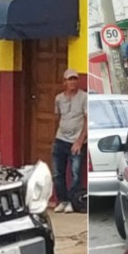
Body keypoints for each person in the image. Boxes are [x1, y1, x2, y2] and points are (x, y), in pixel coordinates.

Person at [52, 68, 88, 213]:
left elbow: (87, 120)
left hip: (76, 141)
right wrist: (54, 138)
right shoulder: (59, 98)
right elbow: (57, 118)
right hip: (60, 139)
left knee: (75, 173)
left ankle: (73, 202)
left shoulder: (84, 97)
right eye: (70, 79)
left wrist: (80, 141)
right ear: (64, 82)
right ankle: (62, 200)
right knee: (57, 172)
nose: (73, 82)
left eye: (75, 79)